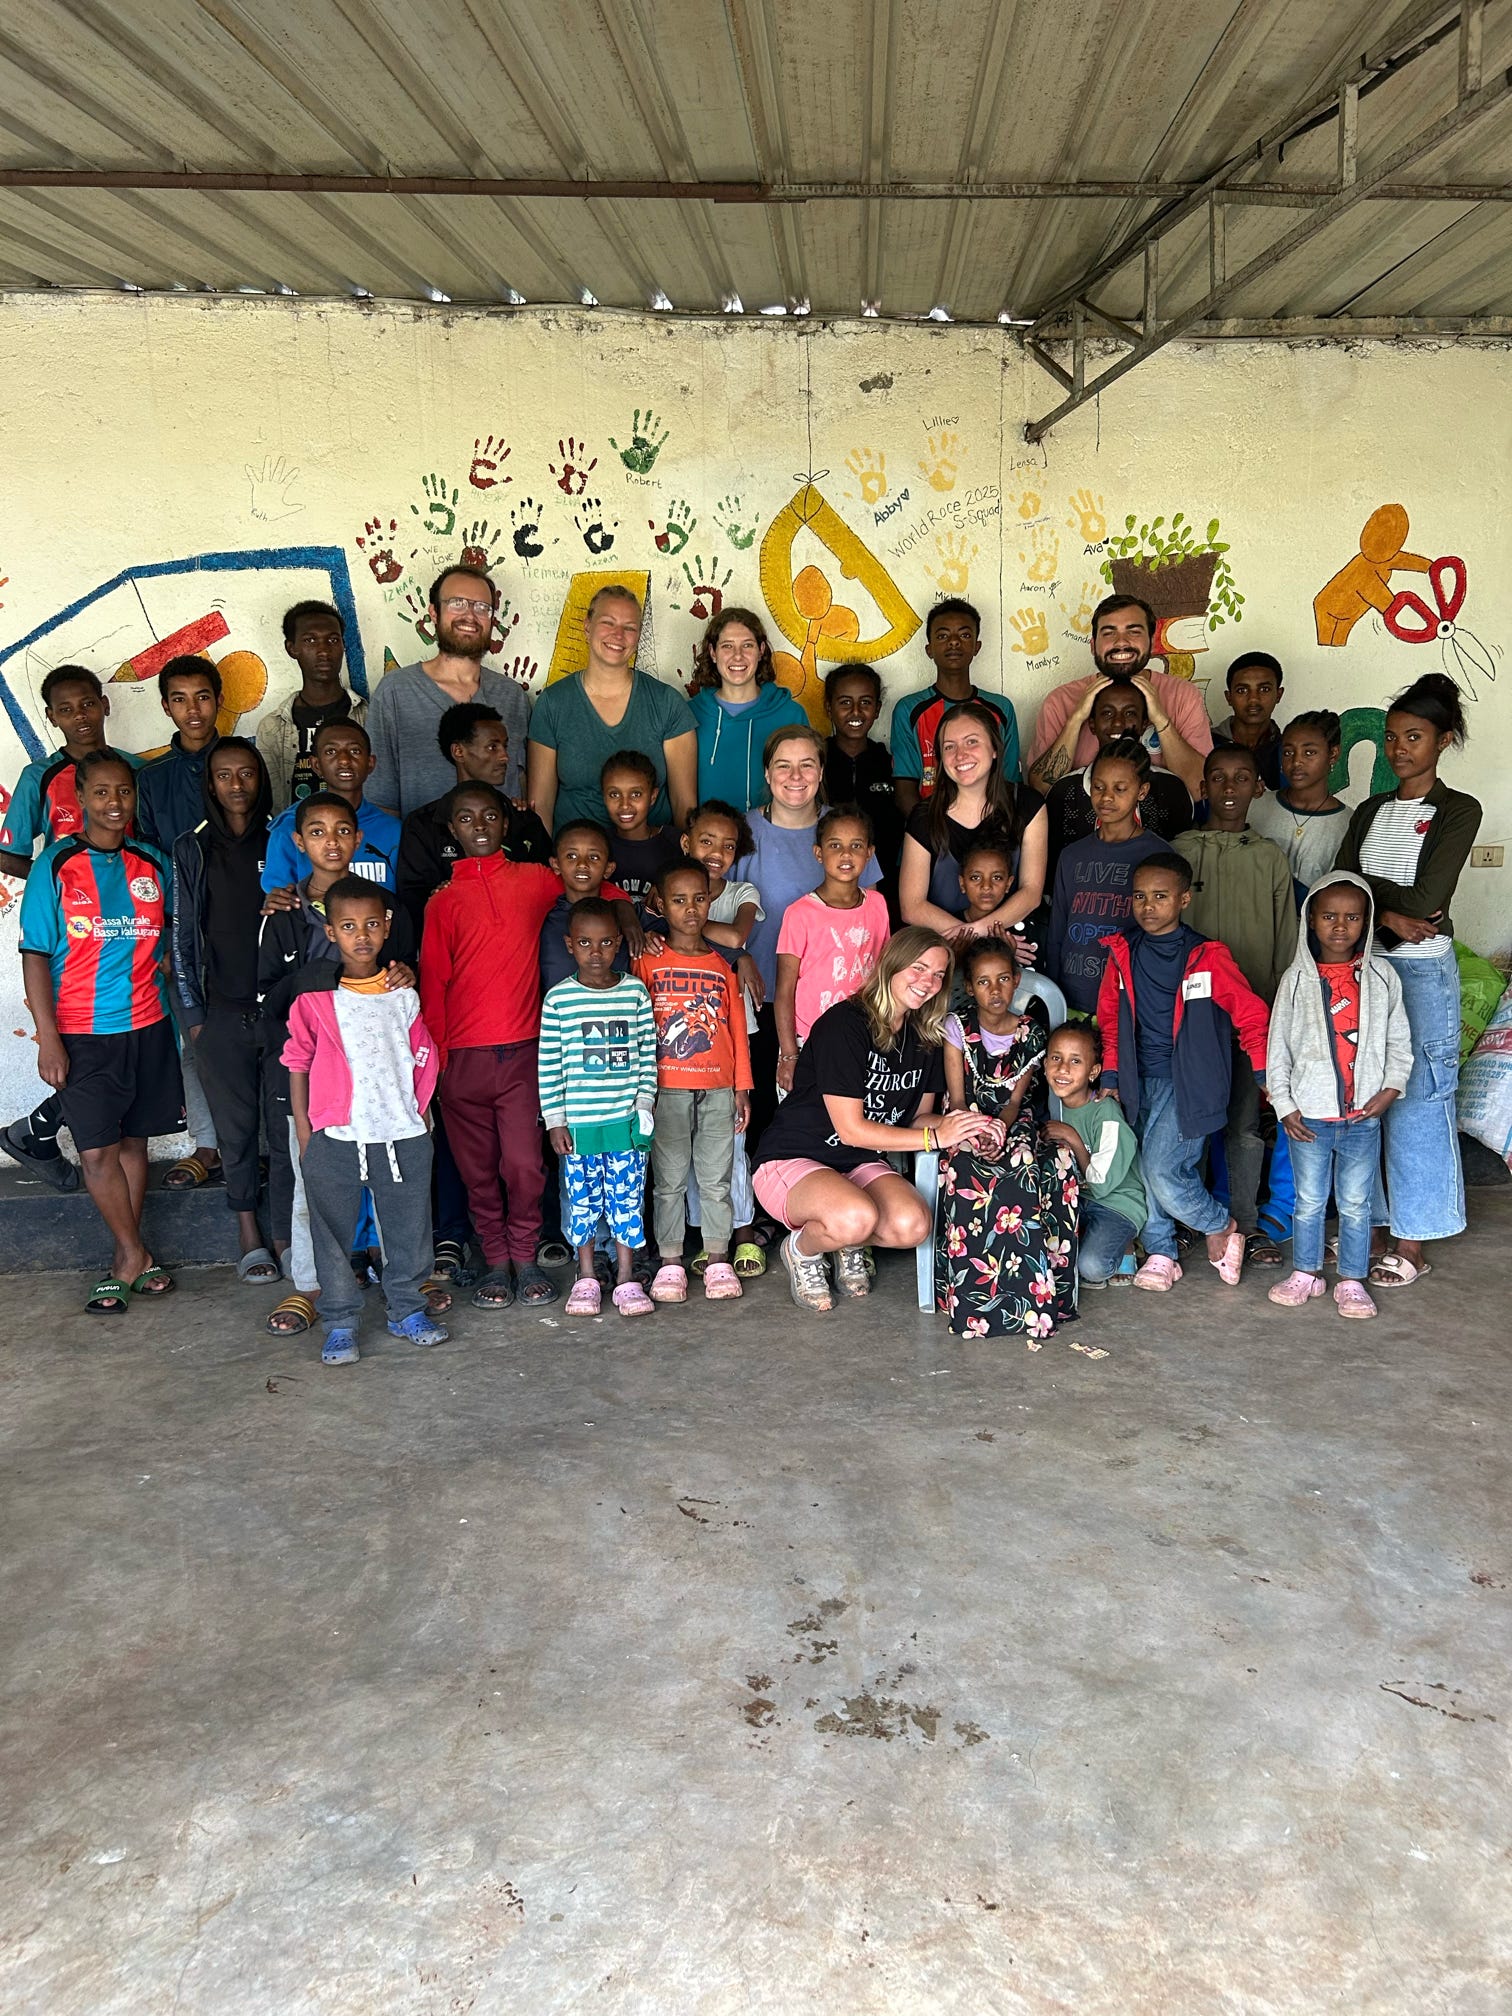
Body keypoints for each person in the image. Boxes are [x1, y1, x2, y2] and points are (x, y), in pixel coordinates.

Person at [18, 751, 183, 1313]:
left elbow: (173, 940)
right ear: (82, 798)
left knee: (134, 1142)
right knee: (95, 1152)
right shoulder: (56, 864)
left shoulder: (153, 862)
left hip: (150, 1025)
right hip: (82, 1030)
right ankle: (134, 1252)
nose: (115, 803)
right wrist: (48, 1038)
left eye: (124, 792)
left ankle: (127, 1258)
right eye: (102, 792)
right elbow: (35, 954)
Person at [420, 782, 594, 1312]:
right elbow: (433, 984)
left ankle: (524, 1253)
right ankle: (495, 1259)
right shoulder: (443, 902)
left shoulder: (535, 880)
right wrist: (438, 1065)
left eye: (490, 816)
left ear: (505, 822)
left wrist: (629, 913)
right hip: (462, 1062)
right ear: (451, 830)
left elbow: (587, 889)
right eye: (466, 818)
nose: (479, 826)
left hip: (523, 1053)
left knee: (524, 1166)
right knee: (477, 1171)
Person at [752, 926, 988, 1312]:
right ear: (891, 965)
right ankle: (803, 1249)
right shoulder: (845, 1024)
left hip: (857, 1163)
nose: (927, 982)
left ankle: (845, 1237)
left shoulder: (924, 1035)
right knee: (855, 1216)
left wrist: (965, 1127)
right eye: (918, 968)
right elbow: (851, 1130)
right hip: (795, 1156)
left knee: (913, 1225)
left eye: (938, 974)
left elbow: (916, 1119)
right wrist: (934, 1139)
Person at [1335, 673, 1482, 1290]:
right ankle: (1369, 1226)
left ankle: (1413, 1240)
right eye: (1392, 737)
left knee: (1419, 1098)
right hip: (1364, 966)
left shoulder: (1458, 810)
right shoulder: (1370, 810)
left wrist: (1372, 903)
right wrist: (1390, 917)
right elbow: (1339, 882)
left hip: (1421, 973)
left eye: (1414, 737)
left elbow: (1428, 898)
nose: (1399, 749)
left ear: (1442, 741)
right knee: (1364, 1094)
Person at [256, 793, 421, 1339]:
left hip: (382, 1082)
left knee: (391, 1189)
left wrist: (408, 974)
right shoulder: (282, 911)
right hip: (313, 1084)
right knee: (314, 1190)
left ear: (359, 838)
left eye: (343, 830)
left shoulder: (385, 907)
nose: (331, 841)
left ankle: (399, 1286)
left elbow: (406, 978)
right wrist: (327, 983)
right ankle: (312, 1288)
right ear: (297, 842)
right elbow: (267, 1001)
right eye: (317, 831)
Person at [284, 876, 447, 1366]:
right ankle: (339, 1321)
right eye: (349, 926)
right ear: (330, 932)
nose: (362, 936)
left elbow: (423, 1055)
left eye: (372, 924)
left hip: (403, 1132)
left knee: (409, 1228)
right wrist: (306, 1132)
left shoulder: (404, 992)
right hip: (336, 1135)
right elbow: (297, 1062)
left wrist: (420, 1114)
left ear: (387, 927)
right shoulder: (316, 998)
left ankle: (407, 1309)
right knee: (332, 1234)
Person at [1096, 852, 1270, 1292]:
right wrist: (1111, 1075)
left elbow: (1251, 1015)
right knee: (1142, 1165)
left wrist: (1265, 1072)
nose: (1148, 906)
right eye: (1139, 896)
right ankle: (1161, 1253)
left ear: (1184, 900)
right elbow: (1110, 1022)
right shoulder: (1122, 953)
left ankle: (1219, 1224)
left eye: (1160, 896)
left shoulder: (1206, 956)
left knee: (1163, 1169)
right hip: (1137, 1080)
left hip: (1189, 1084)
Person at [1, 664, 140, 1192]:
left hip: (133, 927)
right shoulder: (40, 776)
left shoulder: (135, 769)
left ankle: (35, 1131)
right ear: (51, 717)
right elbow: (10, 852)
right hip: (73, 935)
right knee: (84, 1044)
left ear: (105, 704)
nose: (80, 716)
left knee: (130, 1042)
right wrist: (57, 881)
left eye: (87, 704)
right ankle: (39, 1132)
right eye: (66, 709)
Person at [1266, 874, 1412, 1321]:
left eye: (1353, 917)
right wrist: (1285, 1106)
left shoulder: (1382, 977)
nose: (1340, 926)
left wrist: (1390, 1090)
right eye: (1329, 916)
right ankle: (1306, 1272)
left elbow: (1399, 1043)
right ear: (1310, 920)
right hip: (1309, 1117)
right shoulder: (1295, 980)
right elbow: (1278, 1049)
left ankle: (1351, 1280)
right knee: (1309, 1201)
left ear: (1367, 921)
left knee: (1355, 1204)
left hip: (1363, 1117)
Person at [1175, 743, 1299, 1263]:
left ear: (1259, 787)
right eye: (1219, 778)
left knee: (1245, 1125)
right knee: (1190, 1122)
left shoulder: (1269, 857)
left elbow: (1287, 944)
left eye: (1242, 778)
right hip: (1192, 1020)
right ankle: (1192, 1219)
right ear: (1202, 786)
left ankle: (1245, 1227)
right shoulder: (1179, 850)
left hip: (1254, 1018)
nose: (1229, 788)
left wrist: (1280, 1016)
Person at [734, 726, 883, 1153]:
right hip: (760, 996)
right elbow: (713, 901)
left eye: (807, 765)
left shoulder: (843, 829)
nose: (795, 776)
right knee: (769, 1110)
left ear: (821, 771)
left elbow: (869, 922)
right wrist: (736, 956)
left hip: (834, 1005)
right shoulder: (744, 831)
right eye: (783, 766)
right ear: (767, 773)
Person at [172, 737, 279, 1284]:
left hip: (282, 1016)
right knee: (235, 1133)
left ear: (262, 778)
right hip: (220, 1013)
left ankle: (287, 1236)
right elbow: (180, 936)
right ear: (210, 785)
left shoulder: (282, 837)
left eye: (247, 773)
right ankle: (249, 1235)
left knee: (286, 1130)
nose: (237, 785)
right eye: (224, 775)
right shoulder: (191, 848)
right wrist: (195, 1016)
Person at [934, 939, 1080, 1341]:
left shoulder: (1031, 1033)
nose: (994, 990)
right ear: (970, 986)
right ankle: (973, 1304)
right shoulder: (956, 1027)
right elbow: (957, 1099)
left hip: (1014, 1122)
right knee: (963, 1167)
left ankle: (1031, 1301)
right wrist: (977, 1129)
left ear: (1016, 980)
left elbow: (1015, 1101)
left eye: (1002, 979)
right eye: (983, 982)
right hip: (965, 1119)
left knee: (1026, 1164)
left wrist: (999, 1128)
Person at [633, 860, 752, 1303]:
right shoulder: (646, 961)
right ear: (661, 904)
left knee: (716, 1179)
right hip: (665, 1090)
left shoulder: (723, 966)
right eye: (679, 900)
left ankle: (718, 1259)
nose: (690, 909)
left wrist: (742, 1087)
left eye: (699, 899)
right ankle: (670, 1262)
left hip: (719, 1089)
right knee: (668, 1180)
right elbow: (637, 1027)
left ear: (710, 901)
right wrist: (641, 1090)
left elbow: (737, 1030)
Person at [538, 897, 659, 1319]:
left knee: (627, 1202)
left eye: (606, 942)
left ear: (619, 944)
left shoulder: (634, 992)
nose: (596, 952)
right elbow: (549, 1065)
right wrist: (555, 1121)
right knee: (582, 1202)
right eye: (585, 943)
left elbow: (647, 1056)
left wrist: (643, 1107)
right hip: (579, 1126)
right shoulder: (559, 1000)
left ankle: (626, 1277)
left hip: (625, 1123)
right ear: (569, 945)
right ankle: (586, 1275)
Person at [134, 655, 225, 1191]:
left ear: (219, 700)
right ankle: (207, 1145)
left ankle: (254, 1145)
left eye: (203, 697)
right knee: (195, 1038)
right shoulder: (152, 780)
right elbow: (146, 863)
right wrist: (163, 940)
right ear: (166, 706)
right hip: (179, 929)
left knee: (251, 1035)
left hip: (240, 923)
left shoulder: (242, 761)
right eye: (180, 699)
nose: (194, 710)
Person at [527, 585, 696, 834]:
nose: (618, 635)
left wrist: (682, 855)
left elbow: (684, 804)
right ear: (587, 627)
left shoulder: (666, 702)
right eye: (608, 623)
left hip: (652, 853)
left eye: (629, 627)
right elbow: (540, 804)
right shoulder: (553, 703)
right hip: (575, 854)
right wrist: (544, 857)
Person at [367, 565, 530, 817]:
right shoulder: (395, 692)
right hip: (419, 842)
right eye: (457, 603)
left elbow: (521, 786)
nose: (470, 616)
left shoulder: (512, 696)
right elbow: (380, 799)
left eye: (482, 608)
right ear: (434, 612)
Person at [680, 799, 765, 1277]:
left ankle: (744, 1232)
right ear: (686, 843)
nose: (716, 852)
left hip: (733, 1031)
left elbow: (735, 936)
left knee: (732, 1136)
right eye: (706, 841)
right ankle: (706, 1235)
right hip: (684, 1034)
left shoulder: (741, 892)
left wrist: (678, 917)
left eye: (728, 845)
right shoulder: (668, 889)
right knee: (690, 1143)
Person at [1025, 595, 1210, 799]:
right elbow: (1040, 790)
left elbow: (1198, 790)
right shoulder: (1060, 701)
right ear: (1093, 645)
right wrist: (1076, 719)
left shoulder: (1183, 695)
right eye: (1109, 633)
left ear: (1152, 641)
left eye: (1134, 631)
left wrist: (1160, 720)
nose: (1121, 642)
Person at [397, 701, 550, 941]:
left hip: (520, 950)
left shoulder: (523, 820)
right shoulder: (424, 825)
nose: (505, 757)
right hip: (452, 950)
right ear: (459, 752)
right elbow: (413, 903)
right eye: (492, 747)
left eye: (505, 746)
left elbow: (550, 893)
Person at [898, 701, 1047, 941]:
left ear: (994, 748)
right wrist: (977, 941)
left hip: (1014, 943)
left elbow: (1031, 893)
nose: (960, 755)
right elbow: (912, 907)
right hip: (945, 946)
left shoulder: (1028, 804)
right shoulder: (924, 817)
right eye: (949, 746)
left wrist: (984, 937)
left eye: (972, 742)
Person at [1046, 738, 1168, 1014]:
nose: (1106, 797)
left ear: (1142, 791)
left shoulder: (1159, 856)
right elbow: (1057, 931)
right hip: (1072, 999)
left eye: (1120, 789)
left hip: (1128, 1002)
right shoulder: (1072, 855)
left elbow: (1165, 936)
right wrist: (1054, 996)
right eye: (1099, 787)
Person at [774, 806, 890, 1091]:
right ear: (818, 853)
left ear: (869, 853)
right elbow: (784, 991)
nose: (846, 854)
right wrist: (789, 1054)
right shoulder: (799, 913)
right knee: (807, 1114)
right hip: (808, 1040)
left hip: (865, 1036)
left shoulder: (877, 905)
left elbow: (885, 973)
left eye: (856, 846)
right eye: (835, 845)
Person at [1040, 675, 1193, 870]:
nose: (1118, 722)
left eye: (1129, 713)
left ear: (1144, 724)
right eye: (1107, 713)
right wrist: (1076, 717)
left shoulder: (1171, 788)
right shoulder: (1064, 791)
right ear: (1092, 724)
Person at [890, 598, 1020, 814]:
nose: (954, 642)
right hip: (928, 827)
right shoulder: (909, 710)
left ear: (977, 647)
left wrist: (992, 829)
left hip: (990, 827)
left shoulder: (1001, 709)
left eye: (964, 635)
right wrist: (929, 830)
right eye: (942, 636)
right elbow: (905, 790)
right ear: (929, 649)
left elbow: (1009, 783)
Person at [1043, 1022, 1147, 1290]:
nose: (1063, 1069)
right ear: (1044, 1064)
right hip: (1077, 1200)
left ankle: (1126, 1246)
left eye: (1075, 1061)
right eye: (1056, 1058)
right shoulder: (1051, 1107)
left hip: (1116, 1204)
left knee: (1092, 1267)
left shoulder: (1106, 1112)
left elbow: (1101, 1184)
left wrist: (1073, 1138)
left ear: (1094, 1072)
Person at [688, 606, 807, 813]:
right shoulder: (689, 715)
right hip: (709, 833)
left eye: (747, 645)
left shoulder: (791, 715)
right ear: (713, 653)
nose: (738, 656)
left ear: (761, 651)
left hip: (771, 831)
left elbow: (806, 784)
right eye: (727, 646)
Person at [261, 719, 400, 894]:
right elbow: (281, 899)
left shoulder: (394, 830)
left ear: (370, 763)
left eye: (355, 751)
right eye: (331, 751)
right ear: (316, 765)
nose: (344, 760)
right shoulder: (289, 828)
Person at [256, 600, 367, 811]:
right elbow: (274, 802)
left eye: (333, 640)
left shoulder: (368, 717)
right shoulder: (272, 728)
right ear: (292, 648)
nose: (323, 650)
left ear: (343, 645)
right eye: (311, 640)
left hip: (360, 828)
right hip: (294, 830)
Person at [823, 665, 905, 915]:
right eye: (845, 702)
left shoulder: (890, 764)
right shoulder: (816, 762)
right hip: (826, 886)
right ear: (829, 708)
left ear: (877, 709)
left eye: (865, 702)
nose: (856, 711)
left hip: (887, 886)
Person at [1248, 710, 1348, 904]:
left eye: (1309, 752)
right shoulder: (1255, 805)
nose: (1296, 762)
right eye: (1288, 752)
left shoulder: (1347, 825)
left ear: (1333, 754)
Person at [600, 748, 684, 909]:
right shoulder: (597, 843)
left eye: (636, 794)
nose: (625, 804)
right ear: (604, 797)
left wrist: (668, 886)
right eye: (614, 794)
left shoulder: (674, 842)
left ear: (653, 796)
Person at [1214, 652, 1285, 791]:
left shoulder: (1288, 751)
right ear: (1229, 697)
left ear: (1278, 694)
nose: (1253, 699)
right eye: (1242, 690)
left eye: (1264, 689)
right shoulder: (1206, 744)